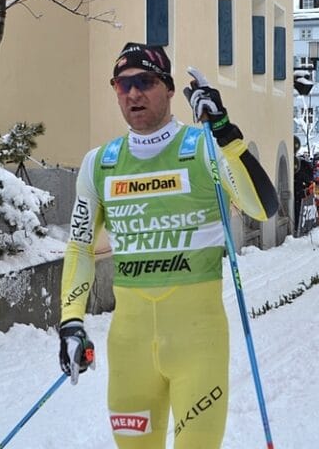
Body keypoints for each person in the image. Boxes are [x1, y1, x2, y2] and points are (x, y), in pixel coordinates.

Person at [56, 42, 278, 448]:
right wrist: (71, 321)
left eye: (145, 81)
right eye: (122, 85)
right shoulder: (99, 163)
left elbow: (264, 207)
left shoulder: (206, 149)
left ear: (171, 88)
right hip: (130, 350)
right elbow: (79, 247)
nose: (133, 93)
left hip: (199, 347)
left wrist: (226, 132)